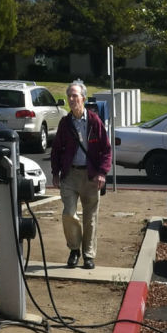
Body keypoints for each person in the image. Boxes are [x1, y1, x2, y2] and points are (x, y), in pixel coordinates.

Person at [51, 79, 111, 269]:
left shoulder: (94, 121)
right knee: (69, 213)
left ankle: (88, 255)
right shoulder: (65, 123)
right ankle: (74, 249)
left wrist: (102, 173)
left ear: (83, 98)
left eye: (75, 96)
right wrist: (55, 173)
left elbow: (106, 149)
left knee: (90, 218)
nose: (71, 99)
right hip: (70, 175)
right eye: (69, 96)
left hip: (91, 176)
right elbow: (56, 150)